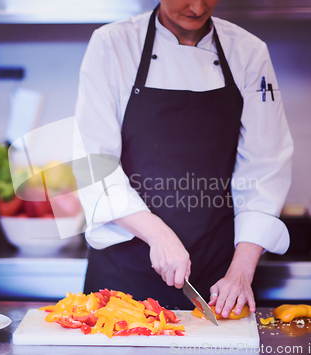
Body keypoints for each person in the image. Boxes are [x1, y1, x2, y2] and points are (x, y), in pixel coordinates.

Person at [74, 0, 293, 318]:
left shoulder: (248, 51)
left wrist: (241, 271)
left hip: (217, 279)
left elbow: (266, 165)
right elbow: (94, 163)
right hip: (123, 275)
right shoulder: (113, 45)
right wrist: (157, 234)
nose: (197, 6)